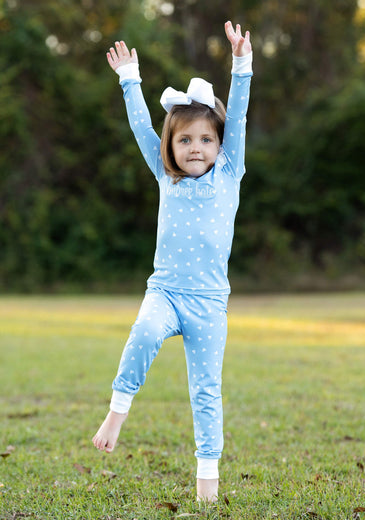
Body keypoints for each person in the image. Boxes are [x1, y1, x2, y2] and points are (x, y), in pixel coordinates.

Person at [92, 20, 253, 503]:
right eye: (185, 141)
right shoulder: (168, 177)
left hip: (209, 303)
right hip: (164, 292)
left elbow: (239, 115)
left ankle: (207, 484)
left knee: (206, 392)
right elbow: (143, 127)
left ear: (219, 144)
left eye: (205, 140)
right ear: (172, 148)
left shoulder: (230, 171)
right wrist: (129, 80)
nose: (195, 148)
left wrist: (241, 65)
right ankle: (117, 413)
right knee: (141, 333)